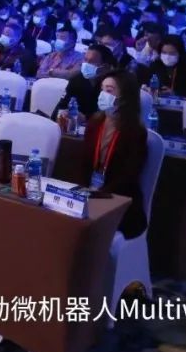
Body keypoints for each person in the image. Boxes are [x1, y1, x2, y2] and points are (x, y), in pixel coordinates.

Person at [81, 69, 148, 239]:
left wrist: (98, 194)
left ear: (124, 97)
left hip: (119, 200)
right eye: (102, 89)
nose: (102, 95)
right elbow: (83, 164)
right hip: (90, 193)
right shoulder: (94, 123)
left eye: (109, 91)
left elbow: (128, 176)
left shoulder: (135, 132)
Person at [53, 44, 115, 118]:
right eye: (85, 60)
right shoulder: (77, 79)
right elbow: (61, 106)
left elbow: (109, 116)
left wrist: (86, 119)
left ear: (105, 67)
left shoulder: (111, 87)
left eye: (92, 62)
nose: (86, 64)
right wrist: (62, 115)